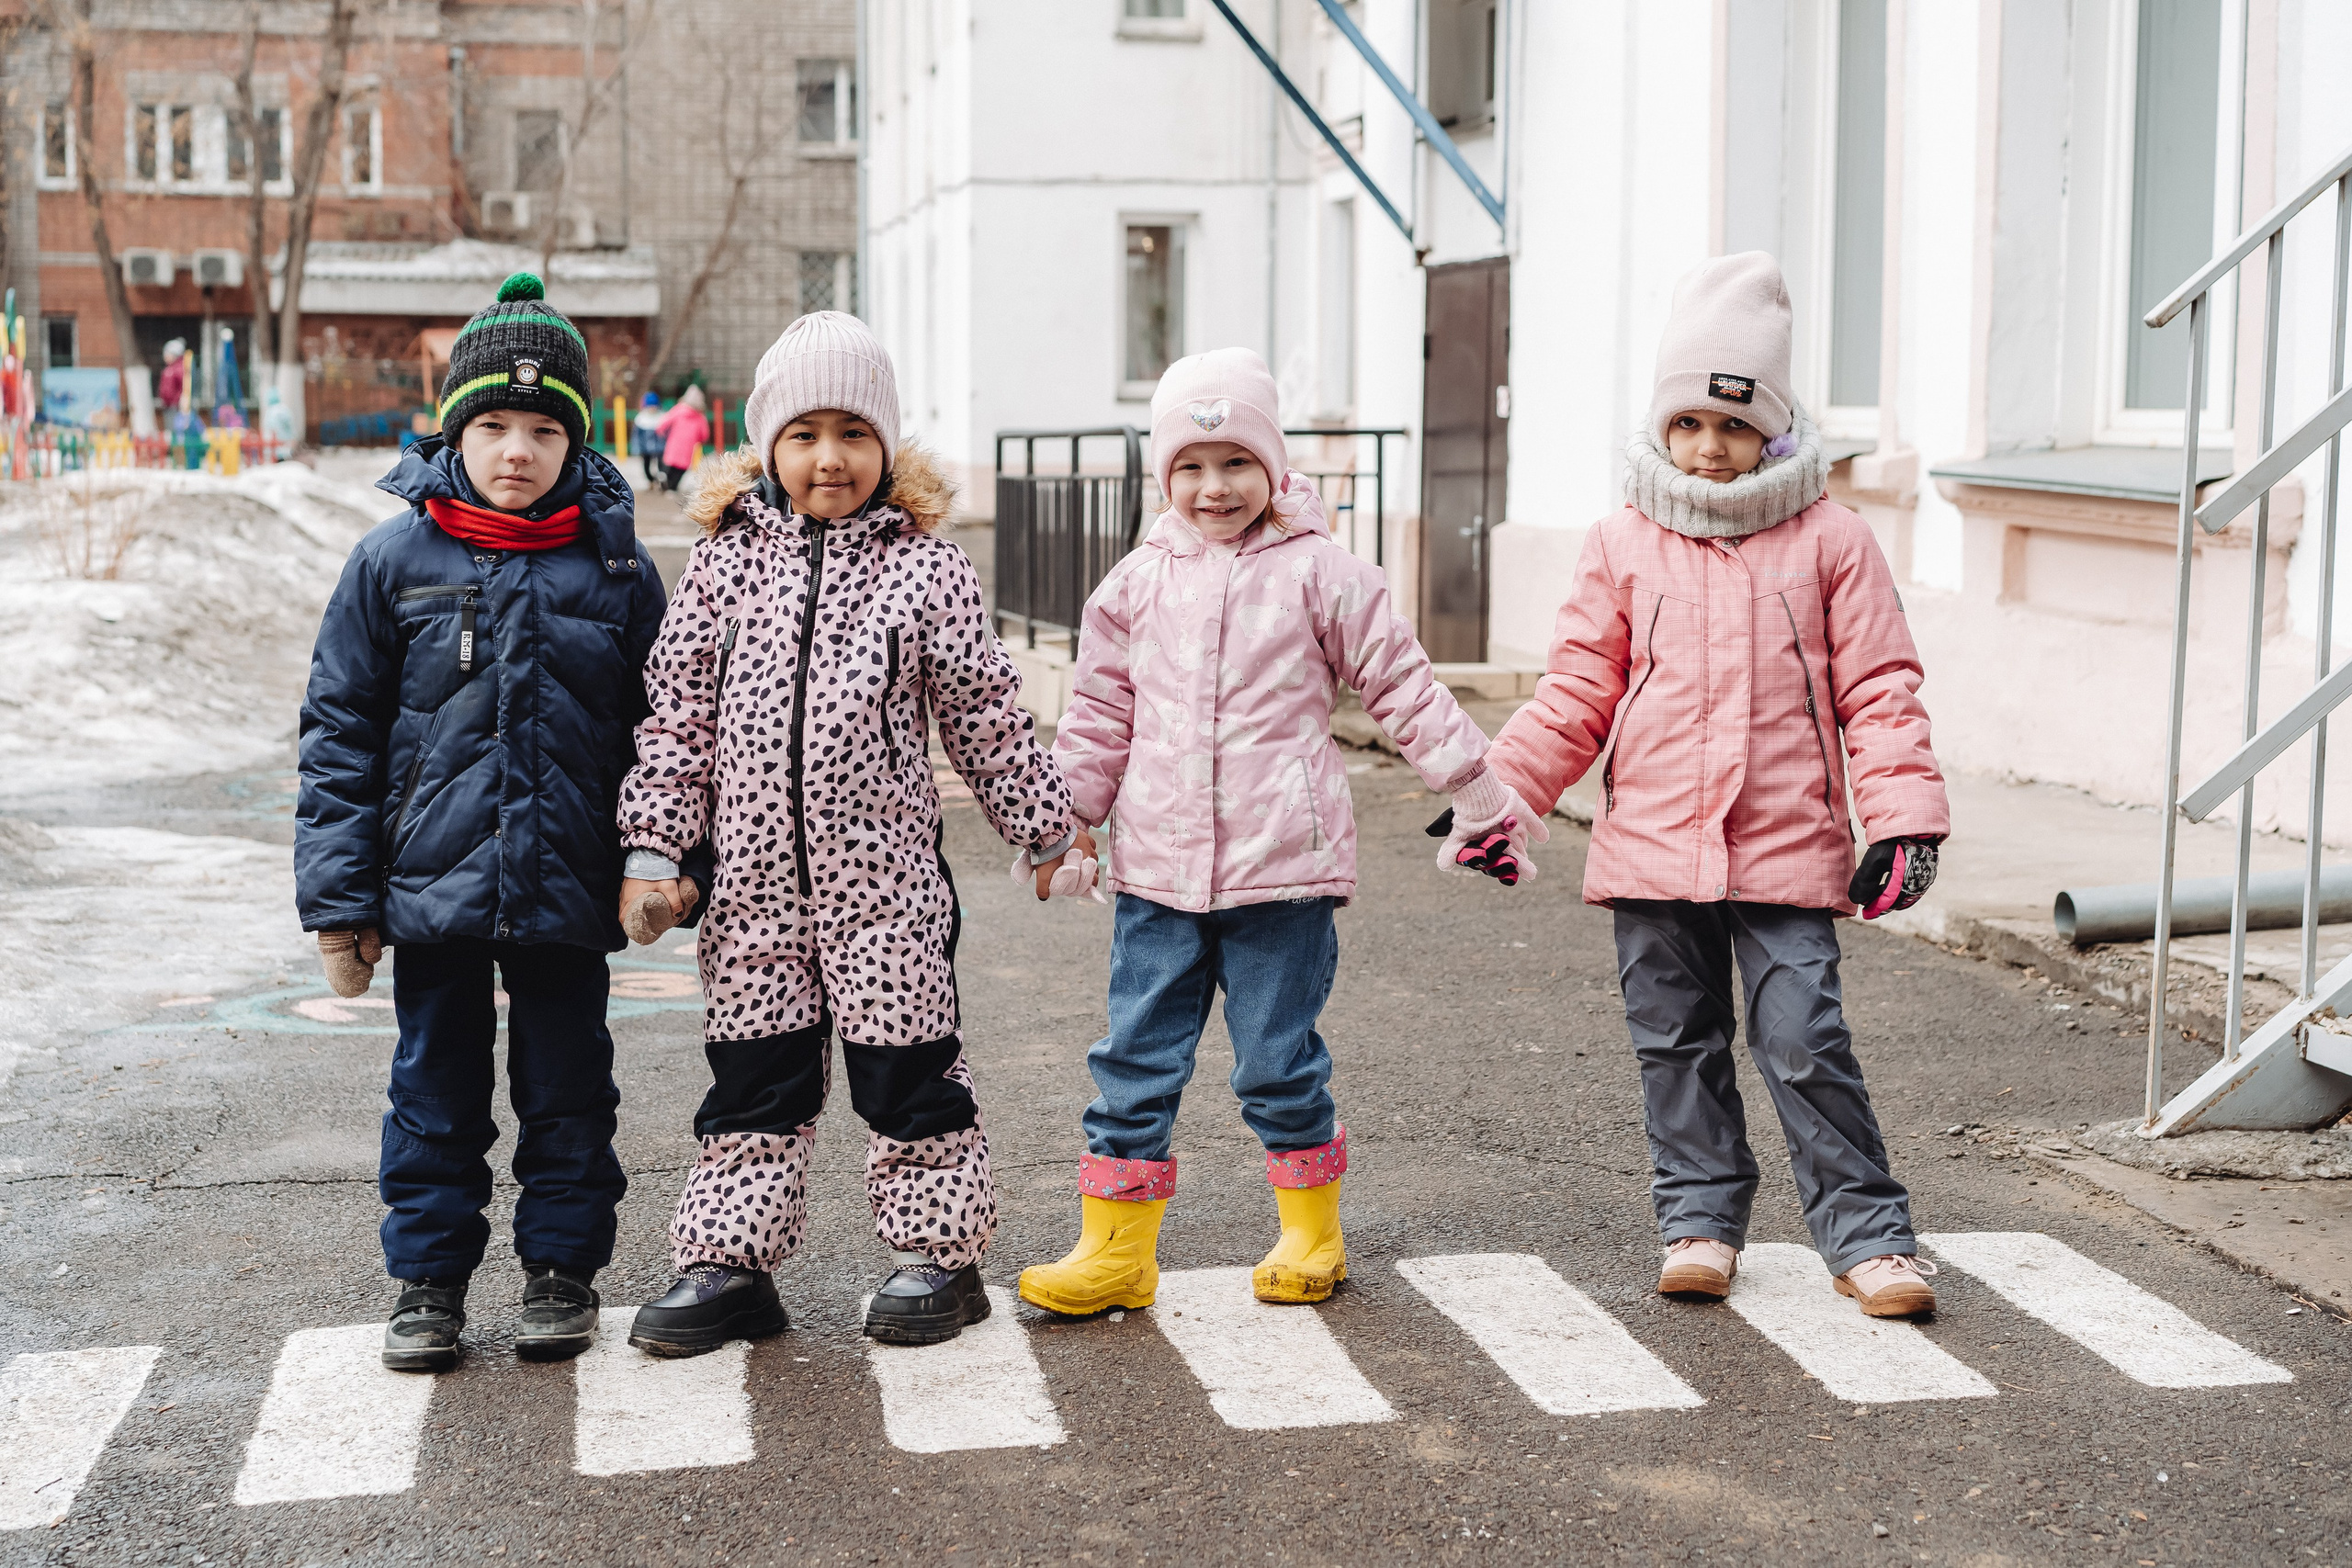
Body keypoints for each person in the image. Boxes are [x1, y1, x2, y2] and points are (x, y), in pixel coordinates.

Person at [1016, 347, 1535, 1317]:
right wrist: (1064, 827)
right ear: (1162, 476)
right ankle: (1115, 1251)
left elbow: (1403, 686)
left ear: (1274, 465)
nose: (1215, 488)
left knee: (1274, 1062)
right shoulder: (1132, 586)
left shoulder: (1324, 576)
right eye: (1191, 467)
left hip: (1282, 877)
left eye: (1236, 462)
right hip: (1157, 881)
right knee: (1132, 1062)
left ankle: (1311, 1233)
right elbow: (1095, 718)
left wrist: (1474, 788)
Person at [1484, 253, 1950, 1318]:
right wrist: (1502, 797)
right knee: (1676, 1044)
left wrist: (1904, 820)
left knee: (1802, 1039)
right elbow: (1575, 692)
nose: (1711, 448)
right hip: (1651, 847)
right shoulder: (1620, 542)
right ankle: (1697, 1219)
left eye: (1736, 427)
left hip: (1787, 847)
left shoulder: (1832, 541)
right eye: (1690, 423)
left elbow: (1879, 689)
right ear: (1661, 428)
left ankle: (1869, 1235)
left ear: (1773, 431)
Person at [615, 310, 1082, 1356]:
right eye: (805, 434)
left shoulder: (925, 569)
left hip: (885, 895)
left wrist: (1046, 831)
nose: (830, 459)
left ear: (887, 446)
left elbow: (985, 714)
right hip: (754, 899)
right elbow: (677, 717)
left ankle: (940, 1260)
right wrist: (654, 853)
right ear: (768, 446)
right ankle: (730, 1267)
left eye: (854, 434)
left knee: (905, 1073)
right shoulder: (726, 566)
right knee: (753, 1082)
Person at [294, 272, 673, 1371]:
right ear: (456, 429)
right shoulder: (391, 561)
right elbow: (339, 733)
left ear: (576, 439)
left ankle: (561, 1272)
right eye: (494, 425)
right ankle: (429, 1284)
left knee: (568, 1090)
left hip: (567, 882)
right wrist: (339, 901)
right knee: (434, 1093)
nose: (518, 451)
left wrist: (663, 859)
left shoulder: (613, 567)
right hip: (434, 891)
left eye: (545, 428)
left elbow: (670, 726)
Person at [653, 382, 709, 492]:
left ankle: (665, 482)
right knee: (681, 468)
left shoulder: (678, 409)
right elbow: (704, 434)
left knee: (670, 464)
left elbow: (665, 421)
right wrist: (700, 440)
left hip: (674, 443)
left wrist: (661, 432)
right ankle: (673, 486)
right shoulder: (700, 416)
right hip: (688, 446)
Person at [632, 390, 667, 487]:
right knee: (646, 467)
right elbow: (636, 436)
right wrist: (636, 448)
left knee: (661, 466)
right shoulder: (641, 419)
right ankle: (651, 480)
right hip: (645, 448)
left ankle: (661, 482)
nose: (652, 408)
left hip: (659, 448)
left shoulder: (662, 418)